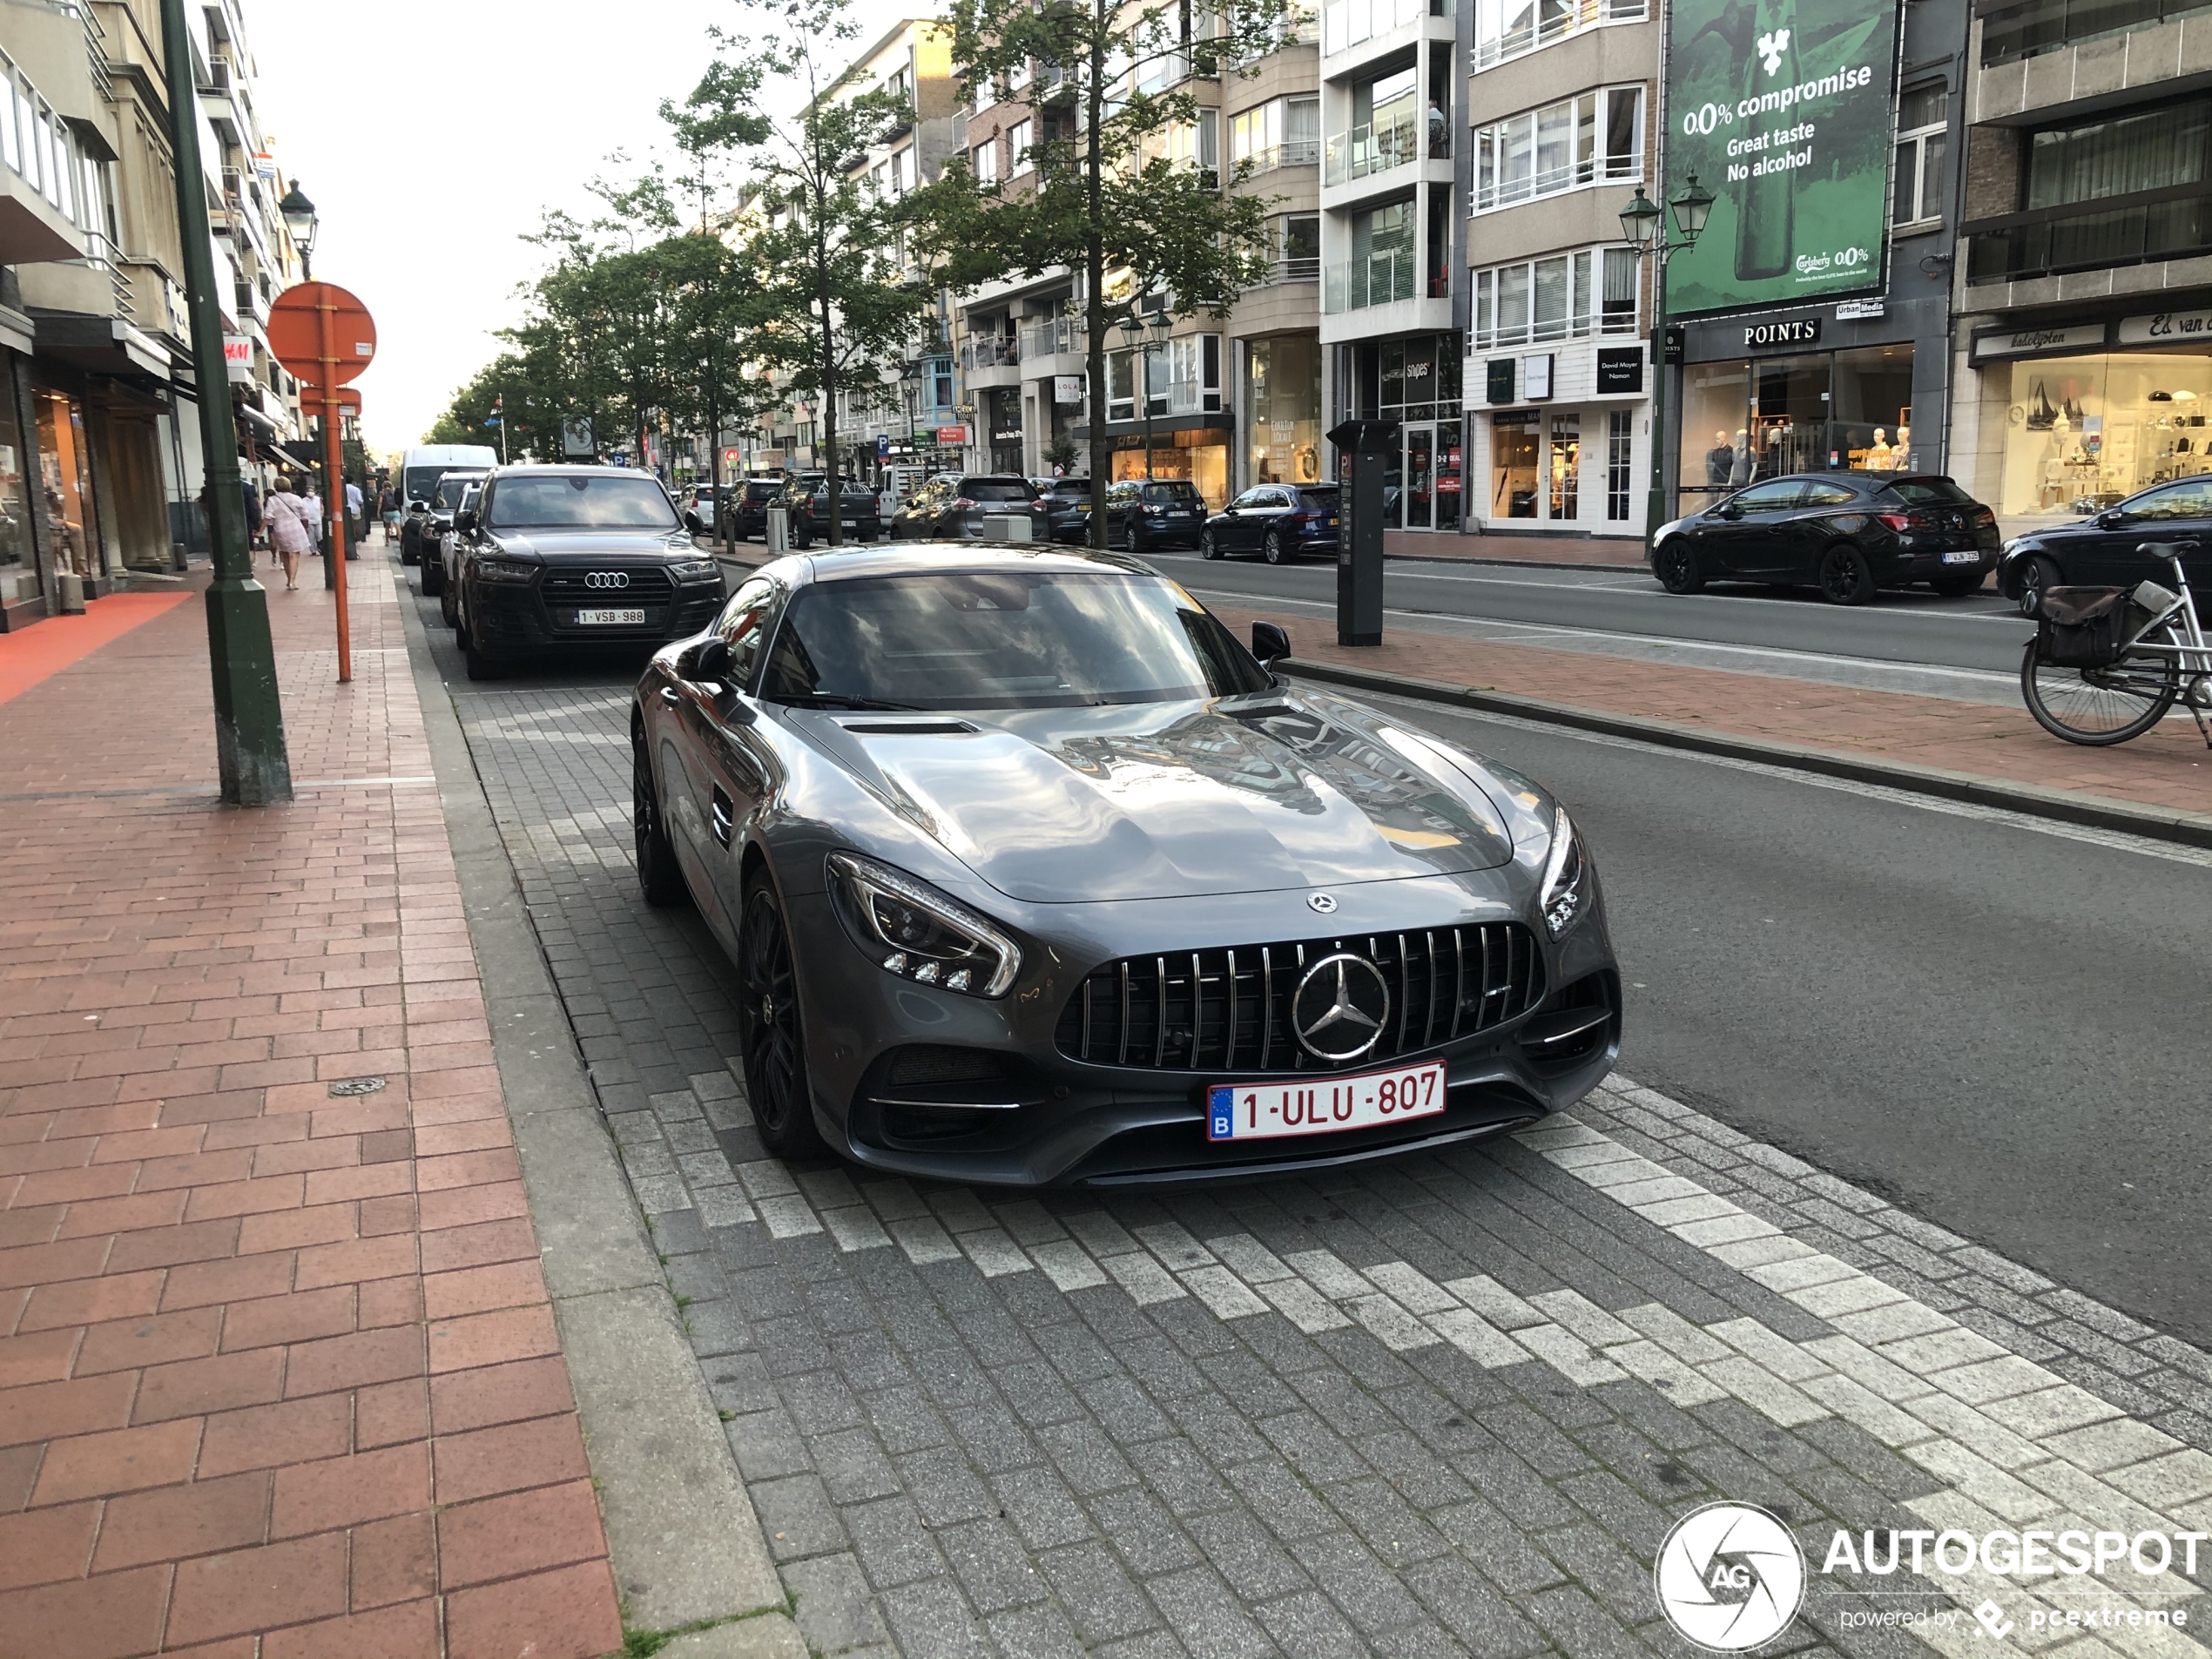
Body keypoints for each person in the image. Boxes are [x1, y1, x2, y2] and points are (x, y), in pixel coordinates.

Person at [264, 475, 314, 590]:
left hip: (280, 529)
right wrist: (306, 527)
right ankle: (292, 581)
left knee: (285, 554)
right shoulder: (296, 498)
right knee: (294, 555)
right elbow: (305, 515)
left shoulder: (272, 500)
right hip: (295, 528)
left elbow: (267, 516)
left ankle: (288, 579)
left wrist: (261, 530)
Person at [343, 476, 364, 560]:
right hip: (355, 509)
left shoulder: (343, 488)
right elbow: (359, 500)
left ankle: (348, 540)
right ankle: (357, 540)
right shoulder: (356, 489)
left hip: (345, 509)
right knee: (356, 525)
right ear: (352, 481)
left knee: (348, 526)